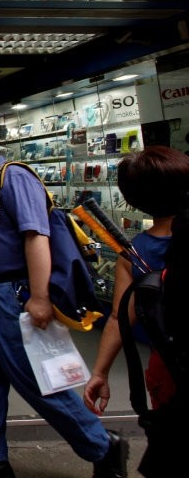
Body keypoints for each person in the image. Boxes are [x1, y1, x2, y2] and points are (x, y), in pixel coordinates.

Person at [0, 120, 127, 478]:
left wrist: (40, 297)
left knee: (34, 378)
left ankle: (102, 445)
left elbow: (36, 237)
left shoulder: (14, 178)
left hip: (7, 293)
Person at [84, 146, 189, 477]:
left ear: (133, 202)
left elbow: (119, 317)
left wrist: (99, 373)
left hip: (170, 368)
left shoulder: (136, 254)